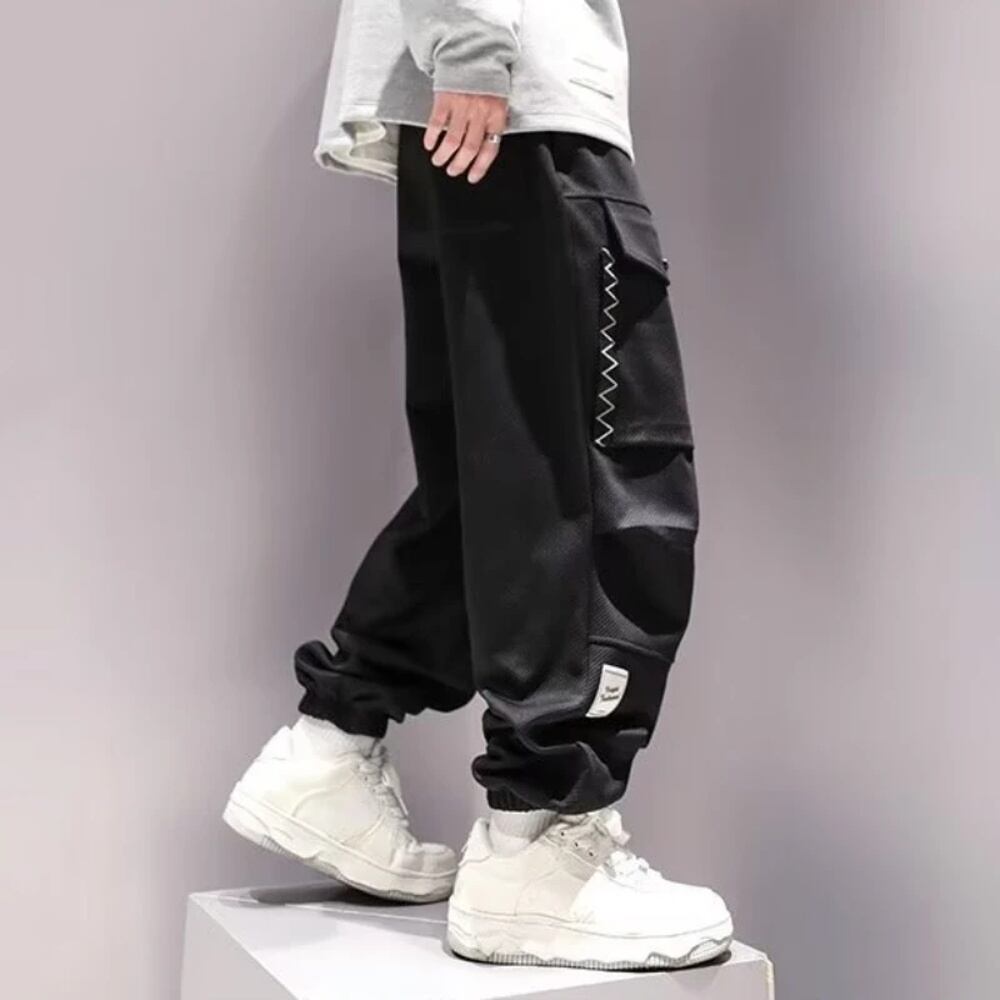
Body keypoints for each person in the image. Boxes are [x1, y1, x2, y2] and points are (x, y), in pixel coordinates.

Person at [224, 0, 733, 970]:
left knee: (499, 479)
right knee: (595, 485)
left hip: (485, 88)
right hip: (514, 81)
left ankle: (333, 749)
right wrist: (470, 41)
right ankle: (538, 848)